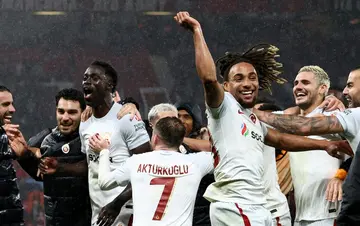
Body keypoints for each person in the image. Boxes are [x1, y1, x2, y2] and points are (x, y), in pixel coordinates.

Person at [174, 11, 353, 226]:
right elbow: (209, 78)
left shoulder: (252, 118)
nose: (248, 83)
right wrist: (197, 31)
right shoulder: (223, 107)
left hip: (253, 205)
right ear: (226, 87)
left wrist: (324, 145)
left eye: (252, 77)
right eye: (238, 78)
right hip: (237, 203)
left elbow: (281, 140)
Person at [253, 67, 360, 226]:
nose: (298, 87)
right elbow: (291, 123)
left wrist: (341, 175)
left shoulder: (336, 116)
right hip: (300, 216)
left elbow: (355, 153)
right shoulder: (286, 122)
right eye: (296, 83)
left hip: (330, 214)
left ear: (322, 88)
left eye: (305, 82)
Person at [92, 116, 214, 225]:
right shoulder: (197, 162)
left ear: (155, 138)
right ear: (181, 140)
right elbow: (227, 155)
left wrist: (103, 151)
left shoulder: (136, 162)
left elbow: (104, 183)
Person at [80, 60, 151, 226]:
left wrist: (117, 204)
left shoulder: (127, 118)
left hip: (124, 210)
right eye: (85, 78)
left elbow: (146, 169)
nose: (87, 81)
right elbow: (90, 165)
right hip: (99, 213)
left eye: (95, 78)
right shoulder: (85, 121)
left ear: (109, 86)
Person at [19, 88, 92, 226]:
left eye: (72, 112)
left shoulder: (92, 138)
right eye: (61, 111)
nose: (65, 118)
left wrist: (129, 104)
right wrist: (23, 156)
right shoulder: (45, 141)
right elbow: (39, 175)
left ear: (83, 113)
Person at [0, 85, 26, 225]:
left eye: (11, 103)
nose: (12, 109)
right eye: (5, 104)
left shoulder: (8, 137)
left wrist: (24, 154)